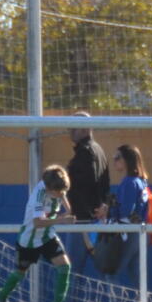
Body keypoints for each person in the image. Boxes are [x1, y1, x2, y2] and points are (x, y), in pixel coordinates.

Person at [0, 166, 76, 302]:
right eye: (58, 192)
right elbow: (38, 222)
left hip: (47, 237)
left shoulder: (57, 187)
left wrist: (68, 210)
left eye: (63, 191)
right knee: (20, 273)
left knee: (64, 266)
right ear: (49, 189)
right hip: (29, 240)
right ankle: (2, 295)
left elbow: (64, 197)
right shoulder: (38, 196)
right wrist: (62, 219)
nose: (61, 194)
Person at [94, 144, 150, 279]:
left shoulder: (129, 182)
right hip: (140, 232)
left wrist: (108, 210)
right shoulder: (141, 181)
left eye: (118, 157)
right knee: (136, 274)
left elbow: (125, 211)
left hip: (129, 232)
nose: (114, 160)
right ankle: (143, 294)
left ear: (127, 160)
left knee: (111, 272)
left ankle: (114, 295)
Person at [66, 115, 111, 269]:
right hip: (95, 218)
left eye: (73, 128)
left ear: (85, 129)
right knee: (105, 268)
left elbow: (85, 184)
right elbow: (104, 184)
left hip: (82, 221)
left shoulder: (85, 152)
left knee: (72, 270)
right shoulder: (99, 150)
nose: (70, 132)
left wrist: (81, 212)